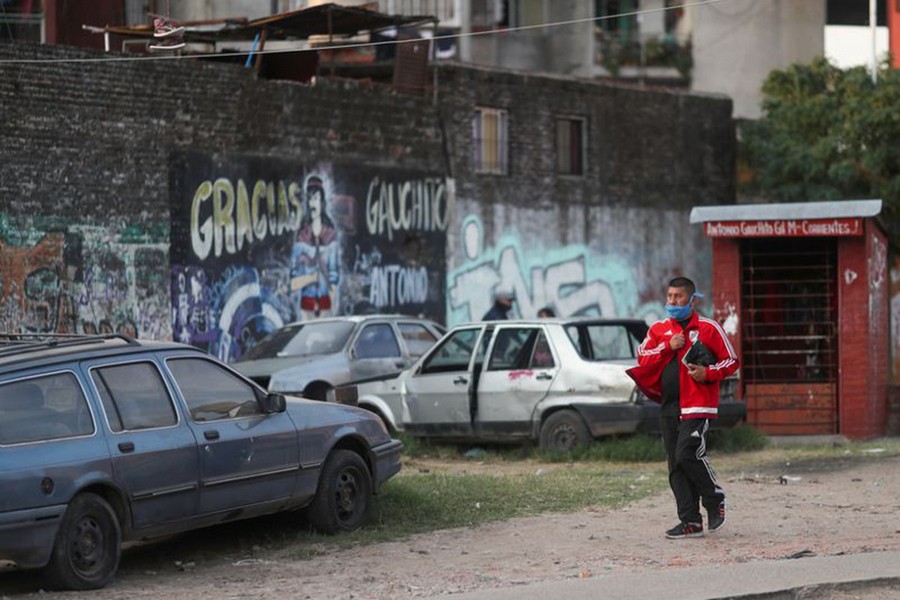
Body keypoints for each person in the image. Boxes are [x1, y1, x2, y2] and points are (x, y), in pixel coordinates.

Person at [626, 276, 739, 539]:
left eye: (678, 297)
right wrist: (668, 345)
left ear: (691, 299)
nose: (673, 302)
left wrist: (707, 373)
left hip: (698, 405)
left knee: (688, 452)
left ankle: (714, 499)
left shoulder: (709, 328)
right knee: (675, 464)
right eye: (669, 297)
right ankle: (690, 521)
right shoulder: (659, 329)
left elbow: (732, 361)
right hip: (668, 406)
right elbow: (643, 357)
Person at [290, 175, 340, 320]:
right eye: (310, 198)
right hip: (306, 307)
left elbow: (333, 276)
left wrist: (332, 310)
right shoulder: (302, 237)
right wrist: (312, 278)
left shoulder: (330, 235)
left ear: (322, 202)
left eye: (316, 198)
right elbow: (293, 283)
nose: (313, 203)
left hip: (326, 307)